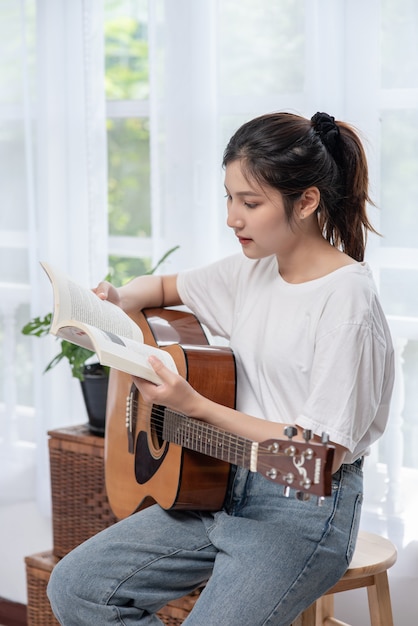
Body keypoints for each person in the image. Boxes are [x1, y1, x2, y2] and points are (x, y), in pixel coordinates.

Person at [47, 111, 394, 626]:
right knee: (76, 588)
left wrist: (193, 405)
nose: (233, 217)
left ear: (306, 201)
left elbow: (317, 454)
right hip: (220, 488)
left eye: (250, 203)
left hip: (302, 511)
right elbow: (165, 287)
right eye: (229, 198)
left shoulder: (347, 300)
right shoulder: (252, 269)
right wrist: (116, 300)